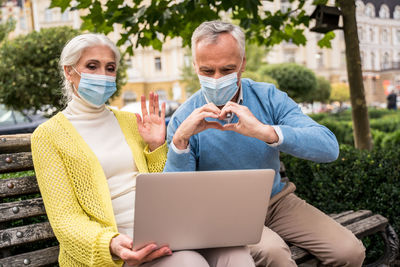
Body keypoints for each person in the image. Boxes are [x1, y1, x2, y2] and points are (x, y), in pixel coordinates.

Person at [164, 21, 366, 267]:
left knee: (350, 251)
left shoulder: (268, 97)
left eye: (227, 69)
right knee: (275, 253)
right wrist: (180, 142)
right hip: (224, 214)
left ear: (243, 63)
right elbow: (177, 199)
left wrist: (266, 132)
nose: (217, 79)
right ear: (194, 65)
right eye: (207, 71)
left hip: (277, 203)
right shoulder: (183, 118)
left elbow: (328, 147)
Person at [31, 33, 172, 267]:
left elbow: (163, 192)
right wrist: (112, 244)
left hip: (160, 234)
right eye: (92, 66)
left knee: (228, 255)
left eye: (110, 68)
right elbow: (65, 219)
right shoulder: (48, 136)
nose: (103, 76)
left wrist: (157, 146)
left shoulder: (131, 122)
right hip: (117, 251)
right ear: (69, 72)